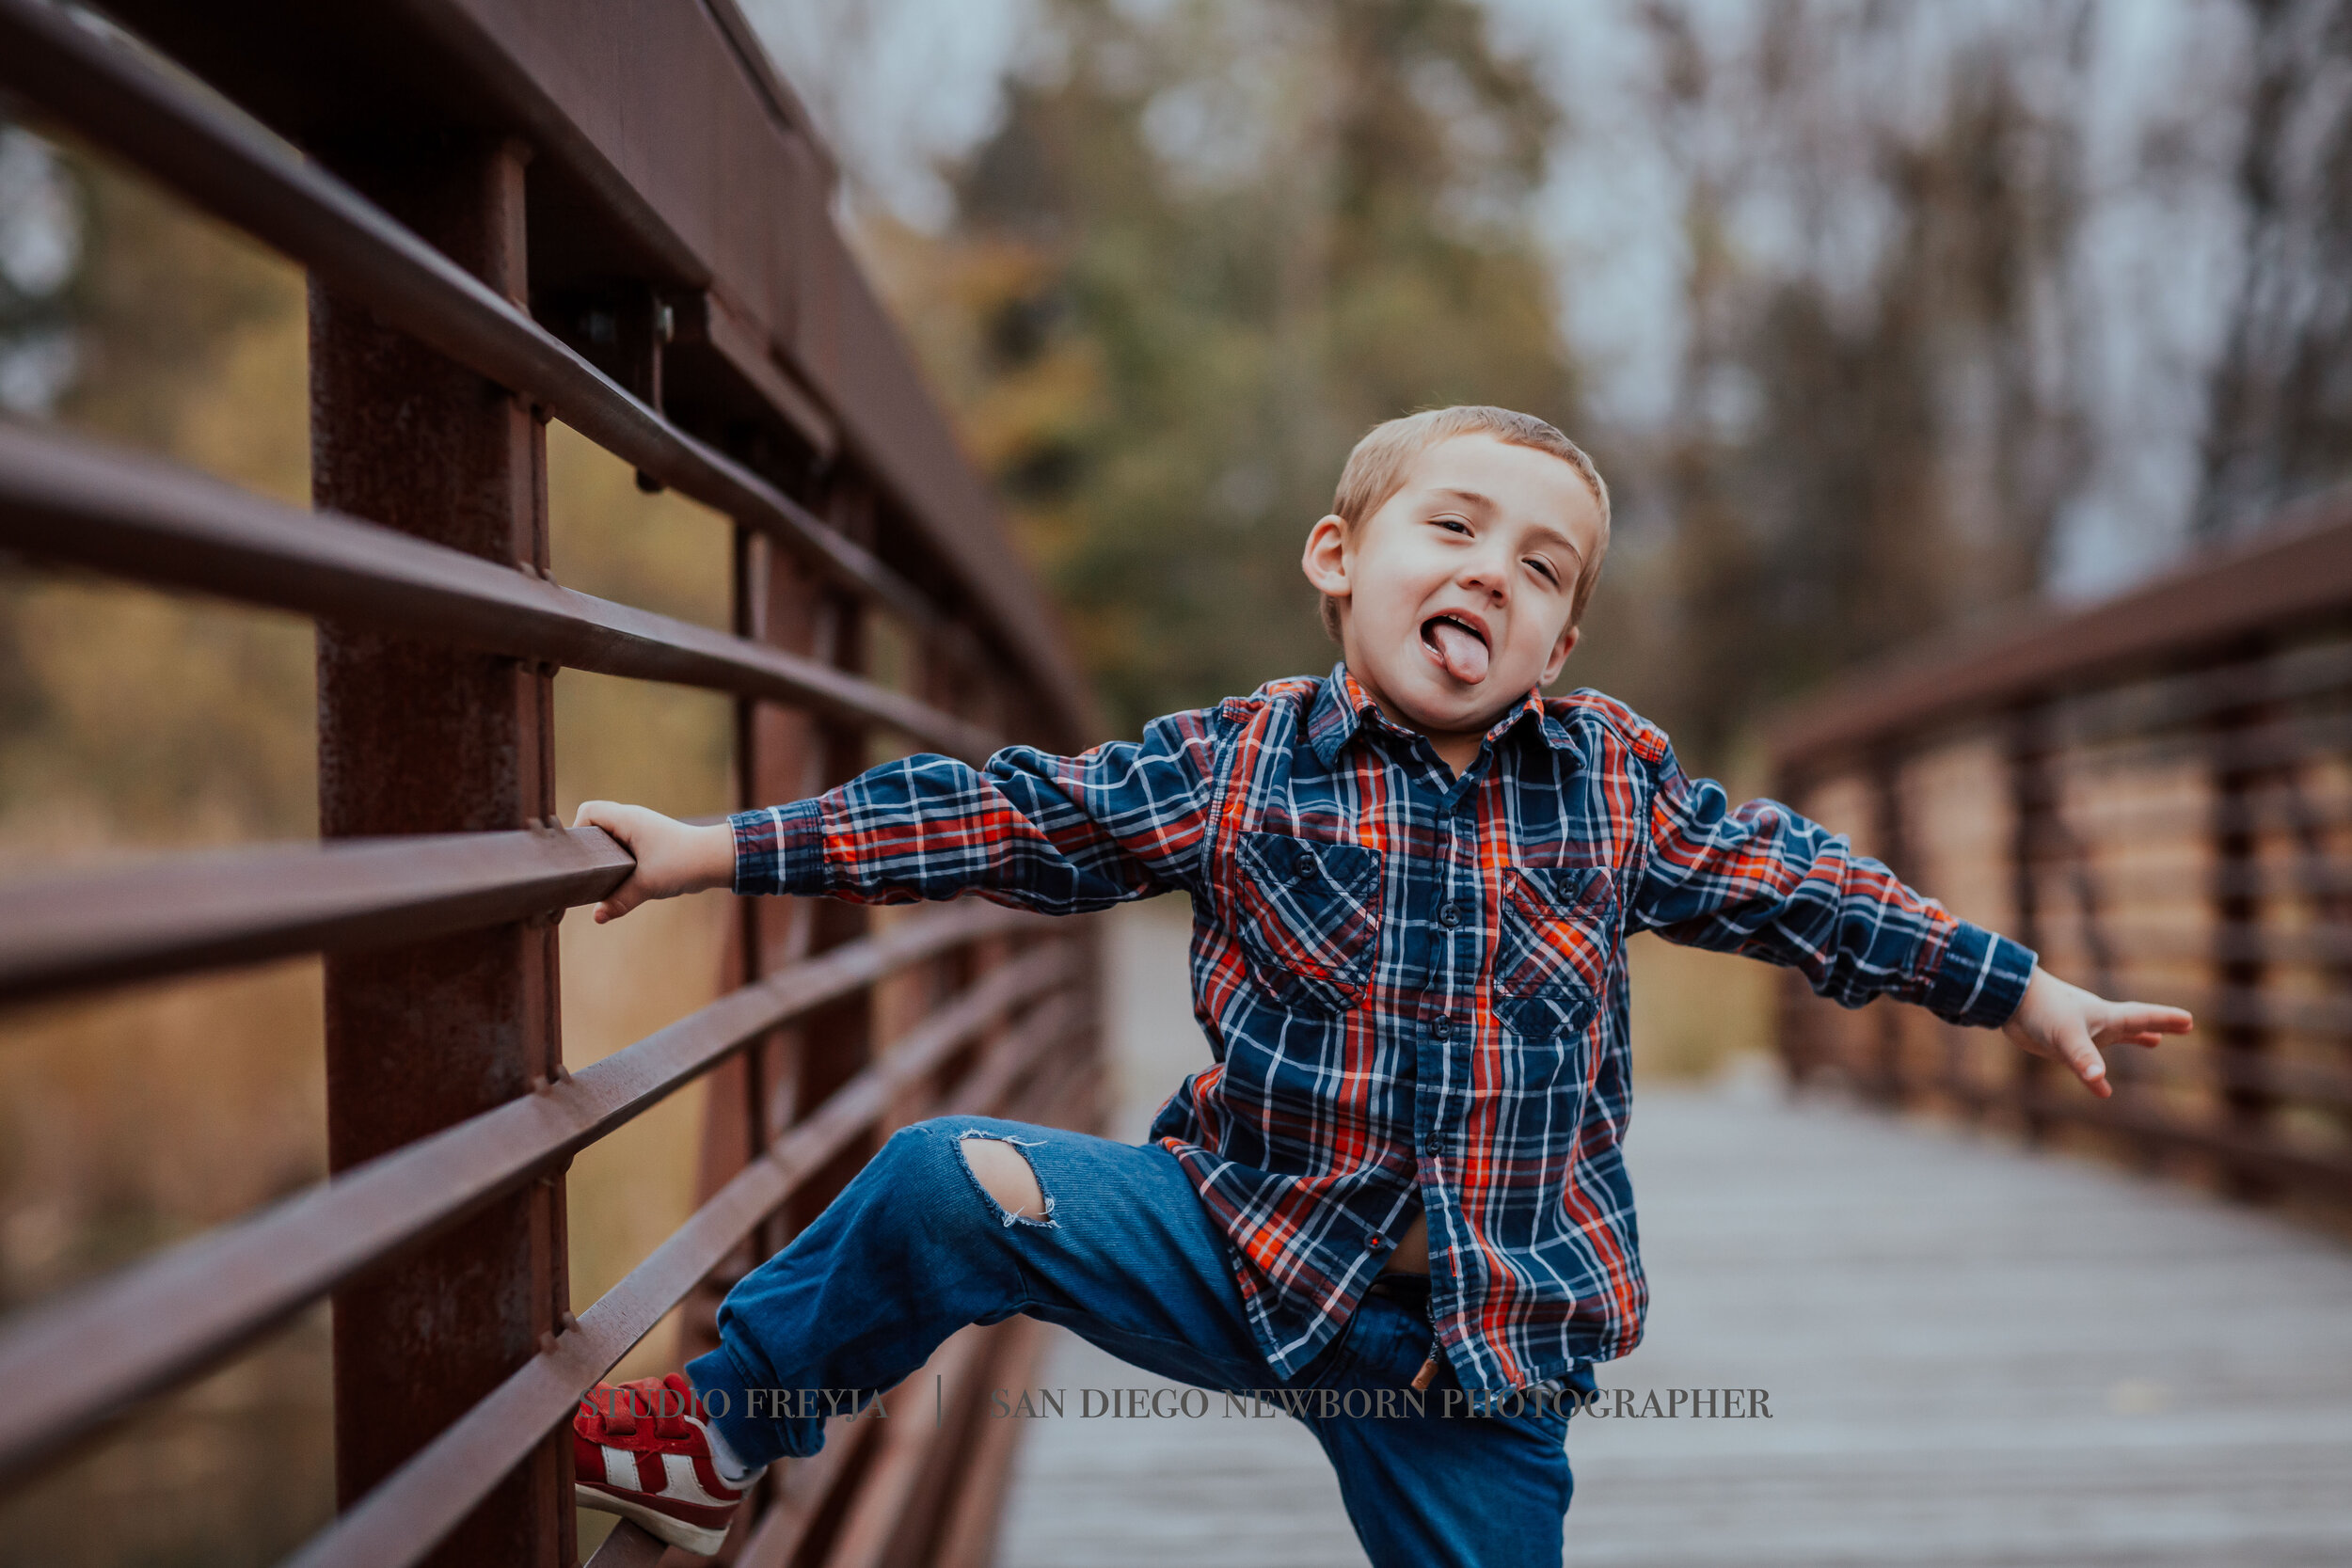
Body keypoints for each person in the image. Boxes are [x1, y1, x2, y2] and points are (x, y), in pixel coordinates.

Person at [564, 404, 2194, 1563]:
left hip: (1471, 1340)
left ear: (1559, 647)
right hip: (1244, 1241)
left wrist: (2023, 987)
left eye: (1543, 569)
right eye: (1455, 528)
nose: (1494, 573)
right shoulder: (1238, 763)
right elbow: (1011, 816)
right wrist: (715, 848)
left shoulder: (1610, 787)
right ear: (1342, 558)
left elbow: (1802, 889)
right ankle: (726, 1437)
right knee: (944, 1184)